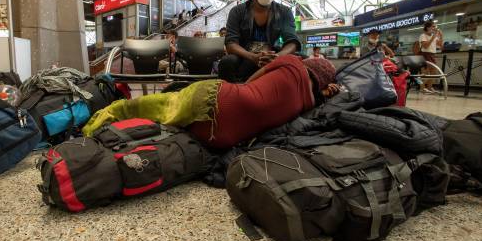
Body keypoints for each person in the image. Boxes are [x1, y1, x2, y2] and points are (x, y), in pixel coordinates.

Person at [83, 55, 337, 150]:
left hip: (212, 99)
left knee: (143, 106)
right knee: (160, 124)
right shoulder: (309, 105)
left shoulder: (292, 62)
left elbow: (249, 82)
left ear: (309, 65)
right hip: (217, 140)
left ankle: (94, 125)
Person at [218, 0, 300, 83]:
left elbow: (292, 42)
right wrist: (252, 57)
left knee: (301, 60)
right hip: (244, 56)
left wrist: (277, 57)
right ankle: (230, 95)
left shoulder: (284, 12)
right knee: (227, 62)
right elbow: (231, 43)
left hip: (272, 56)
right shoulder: (237, 11)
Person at [419, 20, 443, 94]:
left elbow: (441, 46)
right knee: (425, 73)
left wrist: (441, 36)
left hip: (432, 55)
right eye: (433, 26)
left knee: (433, 73)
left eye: (435, 26)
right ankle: (422, 88)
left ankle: (429, 87)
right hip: (425, 55)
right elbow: (425, 46)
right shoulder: (423, 36)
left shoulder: (434, 36)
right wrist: (434, 37)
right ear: (427, 27)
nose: (434, 28)